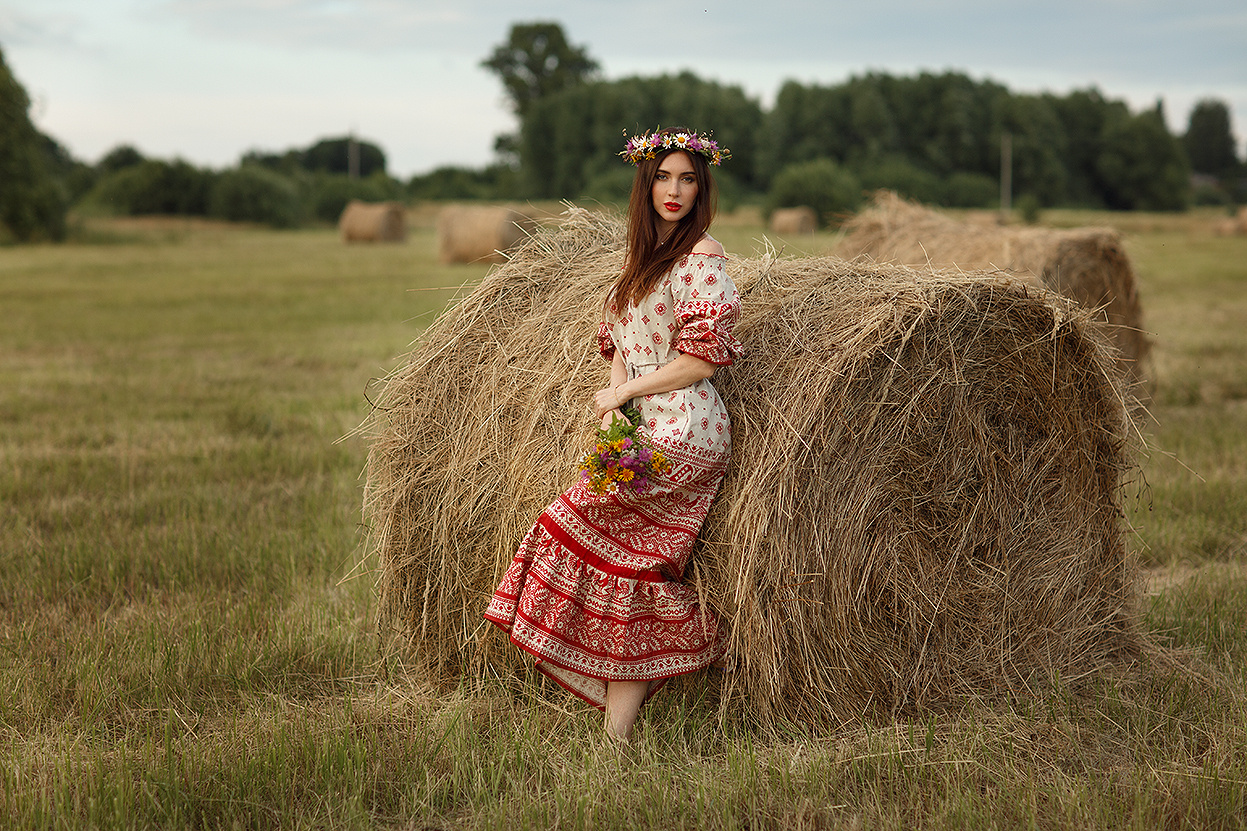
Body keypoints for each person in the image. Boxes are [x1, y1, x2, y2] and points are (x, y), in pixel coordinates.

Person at [484, 127, 741, 745]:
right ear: (644, 182)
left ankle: (651, 675)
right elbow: (619, 350)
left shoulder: (702, 258)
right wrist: (613, 414)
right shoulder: (642, 257)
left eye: (687, 179)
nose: (674, 190)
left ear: (702, 188)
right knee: (627, 572)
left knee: (567, 525)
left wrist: (625, 395)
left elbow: (702, 360)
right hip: (639, 426)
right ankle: (618, 733)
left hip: (687, 428)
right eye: (663, 177)